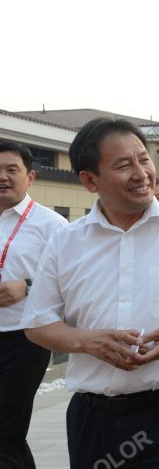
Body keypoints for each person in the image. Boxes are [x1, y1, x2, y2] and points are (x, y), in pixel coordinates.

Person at [21, 118, 159, 468]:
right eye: (124, 165)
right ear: (89, 180)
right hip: (94, 418)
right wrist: (86, 342)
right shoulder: (65, 242)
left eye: (144, 159)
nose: (141, 173)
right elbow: (37, 324)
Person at [0, 143, 67, 468]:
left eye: (11, 170)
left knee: (6, 433)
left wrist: (26, 287)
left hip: (24, 339)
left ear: (30, 176)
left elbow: (71, 282)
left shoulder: (51, 225)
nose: (2, 177)